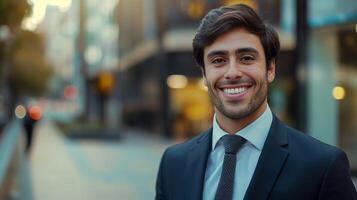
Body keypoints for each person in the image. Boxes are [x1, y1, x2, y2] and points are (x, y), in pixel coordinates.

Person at [155, 4, 357, 200]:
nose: (232, 73)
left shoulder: (322, 167)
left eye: (246, 58)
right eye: (218, 60)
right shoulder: (173, 164)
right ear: (204, 74)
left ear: (270, 69)